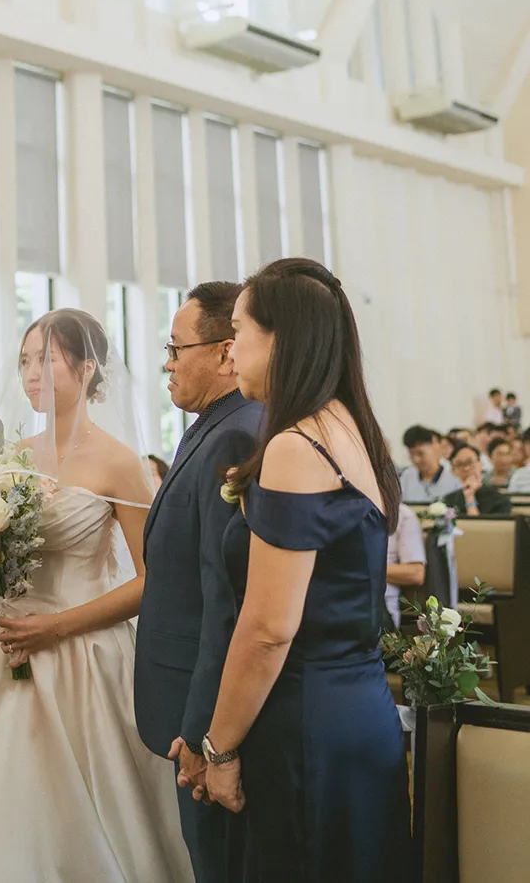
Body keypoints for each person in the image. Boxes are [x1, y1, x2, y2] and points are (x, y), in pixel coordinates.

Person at [0, 309, 192, 883]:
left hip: (81, 651)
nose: (31, 373)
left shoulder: (121, 463)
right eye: (26, 360)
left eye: (46, 359)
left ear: (86, 368)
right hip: (1, 641)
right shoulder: (12, 452)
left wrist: (58, 627)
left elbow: (152, 581)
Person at [187, 258, 410, 883]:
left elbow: (267, 629)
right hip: (359, 707)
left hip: (304, 719)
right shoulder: (351, 429)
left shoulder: (295, 445)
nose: (230, 351)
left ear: (279, 337)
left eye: (239, 330)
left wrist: (219, 747)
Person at [135, 281, 263, 883]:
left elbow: (227, 599)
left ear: (223, 351)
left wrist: (204, 734)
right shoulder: (209, 426)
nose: (167, 362)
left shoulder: (238, 433)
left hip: (206, 712)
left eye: (175, 347)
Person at [385, 501, 426, 627]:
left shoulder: (402, 514)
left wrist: (356, 570)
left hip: (379, 604)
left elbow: (416, 573)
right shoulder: (336, 510)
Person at [442, 443, 510, 517]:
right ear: (453, 471)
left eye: (470, 462)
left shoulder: (500, 501)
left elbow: (477, 527)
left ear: (480, 464)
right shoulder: (449, 500)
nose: (466, 468)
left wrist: (470, 498)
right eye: (459, 464)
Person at [398, 426, 461, 501]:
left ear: (434, 445)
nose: (416, 460)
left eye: (420, 454)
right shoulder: (407, 477)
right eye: (412, 455)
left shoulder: (453, 478)